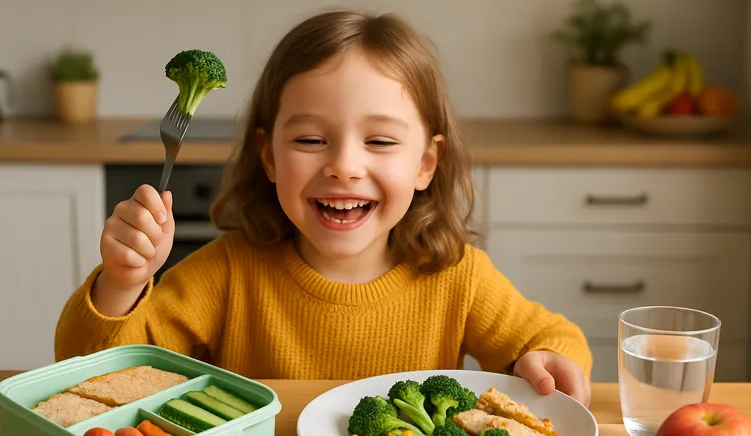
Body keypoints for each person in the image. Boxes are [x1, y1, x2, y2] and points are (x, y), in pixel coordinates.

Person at [55, 10, 593, 407]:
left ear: (426, 164)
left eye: (380, 142)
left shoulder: (459, 278)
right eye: (311, 141)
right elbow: (95, 380)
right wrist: (122, 285)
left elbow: (555, 342)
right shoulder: (227, 272)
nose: (343, 166)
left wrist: (544, 362)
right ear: (268, 156)